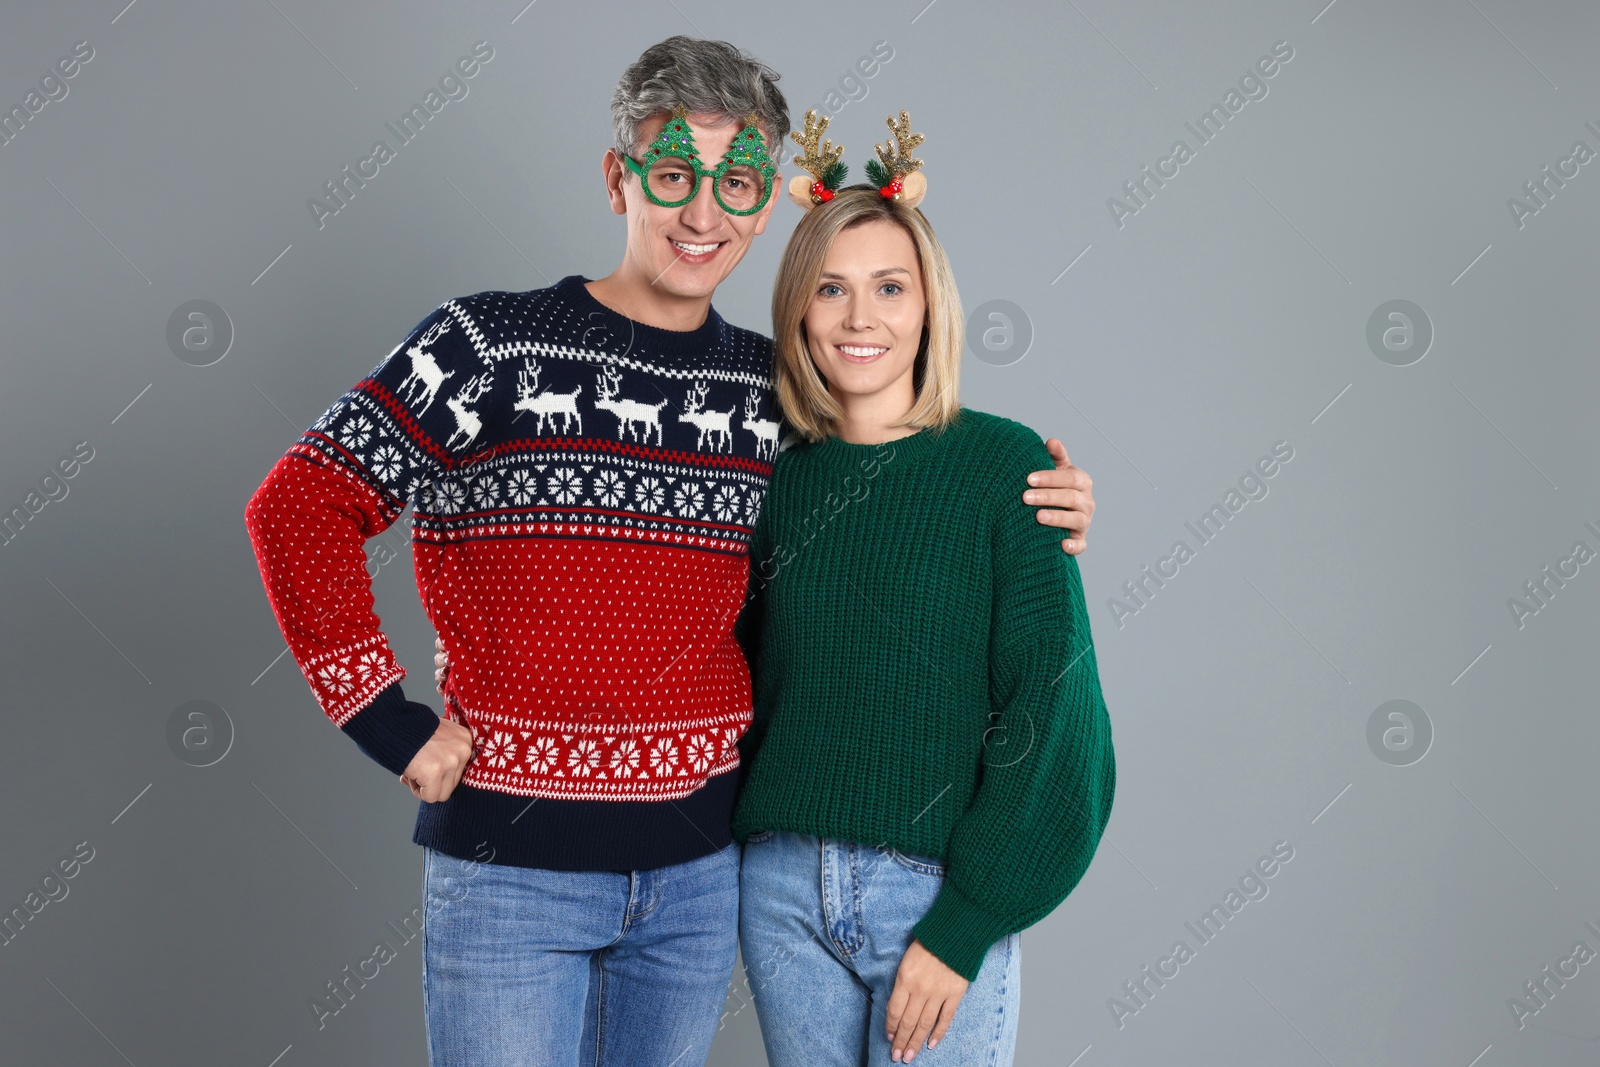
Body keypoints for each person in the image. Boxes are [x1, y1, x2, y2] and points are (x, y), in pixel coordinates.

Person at [247, 38, 1096, 1067]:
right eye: (672, 176)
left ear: (762, 200)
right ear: (619, 178)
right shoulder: (482, 349)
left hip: (697, 878)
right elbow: (299, 505)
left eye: (734, 183)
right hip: (510, 868)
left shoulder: (776, 395)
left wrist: (1032, 500)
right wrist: (388, 719)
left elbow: (865, 535)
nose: (702, 214)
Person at [728, 111, 1116, 1066]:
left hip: (935, 886)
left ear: (930, 304)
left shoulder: (1004, 467)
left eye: (889, 287)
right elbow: (701, 647)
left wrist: (965, 923)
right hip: (778, 889)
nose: (861, 319)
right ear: (799, 312)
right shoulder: (768, 474)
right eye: (832, 289)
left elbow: (1053, 706)